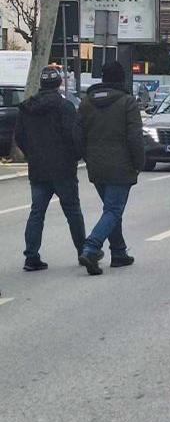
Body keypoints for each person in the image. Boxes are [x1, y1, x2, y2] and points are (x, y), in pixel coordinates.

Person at [16, 67, 86, 271]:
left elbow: (20, 137)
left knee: (37, 212)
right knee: (73, 211)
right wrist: (76, 156)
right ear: (59, 84)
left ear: (41, 84)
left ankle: (31, 256)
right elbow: (73, 136)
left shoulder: (27, 107)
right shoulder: (65, 107)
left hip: (38, 168)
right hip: (63, 168)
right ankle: (83, 251)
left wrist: (32, 154)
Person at [77, 62, 144, 275]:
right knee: (113, 210)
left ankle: (119, 252)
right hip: (121, 165)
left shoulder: (85, 103)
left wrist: (87, 156)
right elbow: (135, 137)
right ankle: (91, 247)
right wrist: (138, 163)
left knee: (112, 209)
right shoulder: (127, 102)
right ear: (121, 79)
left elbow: (77, 135)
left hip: (96, 165)